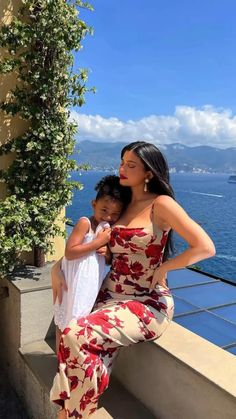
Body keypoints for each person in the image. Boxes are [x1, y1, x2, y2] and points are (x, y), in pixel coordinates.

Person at [50, 141, 215, 419]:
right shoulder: (123, 204)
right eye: (122, 162)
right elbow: (88, 241)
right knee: (75, 347)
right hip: (109, 297)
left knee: (74, 335)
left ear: (149, 172)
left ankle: (72, 412)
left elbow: (205, 246)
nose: (122, 169)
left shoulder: (161, 204)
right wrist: (58, 269)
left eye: (131, 165)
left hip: (144, 302)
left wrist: (164, 268)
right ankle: (73, 411)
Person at [52, 175, 129, 353]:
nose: (109, 216)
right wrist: (97, 242)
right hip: (72, 284)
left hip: (88, 285)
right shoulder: (84, 223)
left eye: (115, 214)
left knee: (79, 322)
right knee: (64, 322)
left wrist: (107, 253)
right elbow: (70, 253)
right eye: (104, 210)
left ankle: (72, 359)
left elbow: (108, 261)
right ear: (93, 204)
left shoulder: (107, 230)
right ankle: (61, 361)